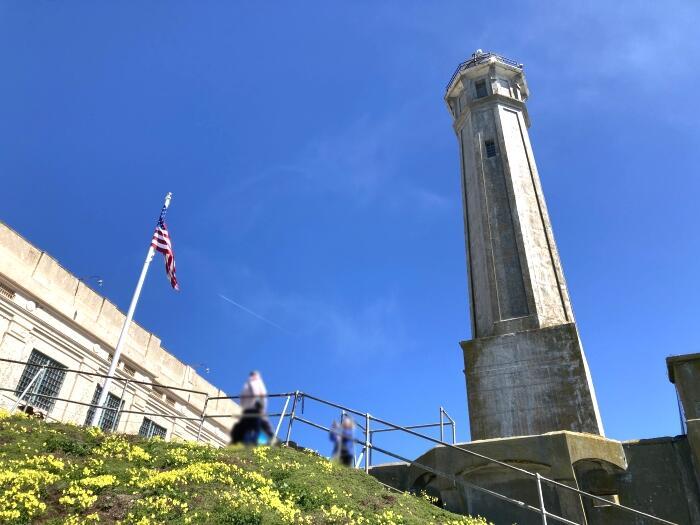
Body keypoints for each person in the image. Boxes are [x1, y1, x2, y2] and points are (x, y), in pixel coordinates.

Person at [230, 371, 275, 445]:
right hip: (255, 408)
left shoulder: (247, 385)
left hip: (248, 409)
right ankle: (254, 442)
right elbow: (261, 396)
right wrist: (261, 407)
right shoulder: (257, 383)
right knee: (256, 427)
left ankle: (247, 442)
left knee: (249, 427)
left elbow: (243, 398)